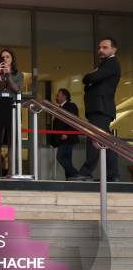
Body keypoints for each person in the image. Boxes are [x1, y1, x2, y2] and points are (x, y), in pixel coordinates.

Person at [71, 37, 121, 182]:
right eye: (99, 47)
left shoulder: (112, 63)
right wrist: (91, 78)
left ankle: (86, 172)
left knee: (94, 139)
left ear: (114, 50)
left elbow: (89, 79)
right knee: (106, 141)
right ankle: (113, 175)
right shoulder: (105, 64)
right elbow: (91, 82)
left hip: (101, 108)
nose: (101, 50)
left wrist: (89, 76)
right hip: (99, 108)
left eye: (105, 47)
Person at [0, 49, 24, 177]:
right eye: (2, 57)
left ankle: (11, 173)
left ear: (12, 59)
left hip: (12, 107)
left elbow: (17, 89)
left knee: (11, 141)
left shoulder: (19, 74)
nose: (5, 59)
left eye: (7, 57)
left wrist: (8, 75)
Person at [50, 88, 80, 180]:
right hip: (62, 138)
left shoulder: (71, 106)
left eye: (58, 95)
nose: (56, 97)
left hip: (67, 137)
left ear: (64, 96)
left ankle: (76, 175)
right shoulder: (60, 108)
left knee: (60, 157)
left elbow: (73, 121)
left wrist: (67, 134)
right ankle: (70, 179)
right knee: (67, 160)